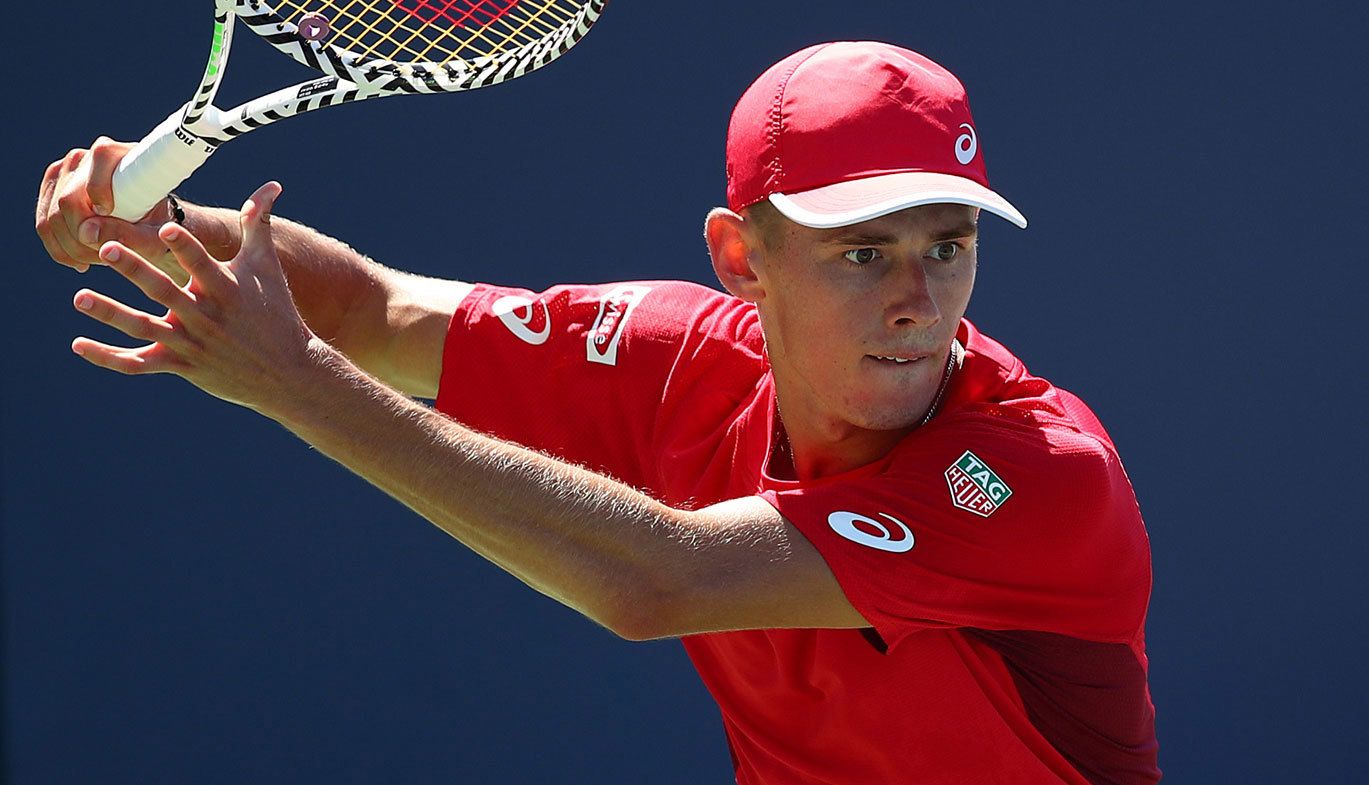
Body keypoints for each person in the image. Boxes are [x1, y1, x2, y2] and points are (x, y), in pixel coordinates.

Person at [35, 41, 1159, 784]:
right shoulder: (674, 360)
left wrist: (299, 386)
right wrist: (161, 222)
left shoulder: (1042, 475)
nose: (917, 302)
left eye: (946, 249)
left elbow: (658, 581)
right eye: (862, 253)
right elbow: (374, 307)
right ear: (739, 258)